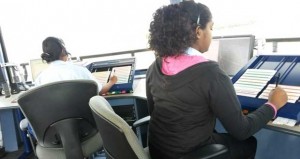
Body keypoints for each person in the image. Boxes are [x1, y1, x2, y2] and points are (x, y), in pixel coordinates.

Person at [146, 1, 288, 159]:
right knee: (248, 143)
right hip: (188, 153)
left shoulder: (155, 66)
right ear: (198, 32)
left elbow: (153, 111)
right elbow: (242, 130)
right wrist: (272, 105)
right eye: (211, 28)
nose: (211, 34)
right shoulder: (211, 74)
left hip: (158, 151)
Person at [35, 36, 117, 94]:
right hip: (82, 117)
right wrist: (111, 82)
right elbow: (100, 91)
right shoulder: (80, 70)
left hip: (53, 118)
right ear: (62, 50)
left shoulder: (40, 78)